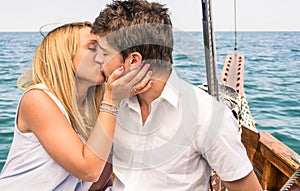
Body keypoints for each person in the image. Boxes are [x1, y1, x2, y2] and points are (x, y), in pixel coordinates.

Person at [91, 0, 263, 190]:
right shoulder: (114, 104)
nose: (98, 60)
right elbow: (99, 174)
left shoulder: (208, 116)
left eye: (105, 54)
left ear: (133, 60)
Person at [0, 21, 152, 191]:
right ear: (62, 55)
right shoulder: (37, 99)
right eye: (93, 47)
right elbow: (88, 170)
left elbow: (97, 184)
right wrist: (113, 100)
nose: (103, 57)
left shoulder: (95, 109)